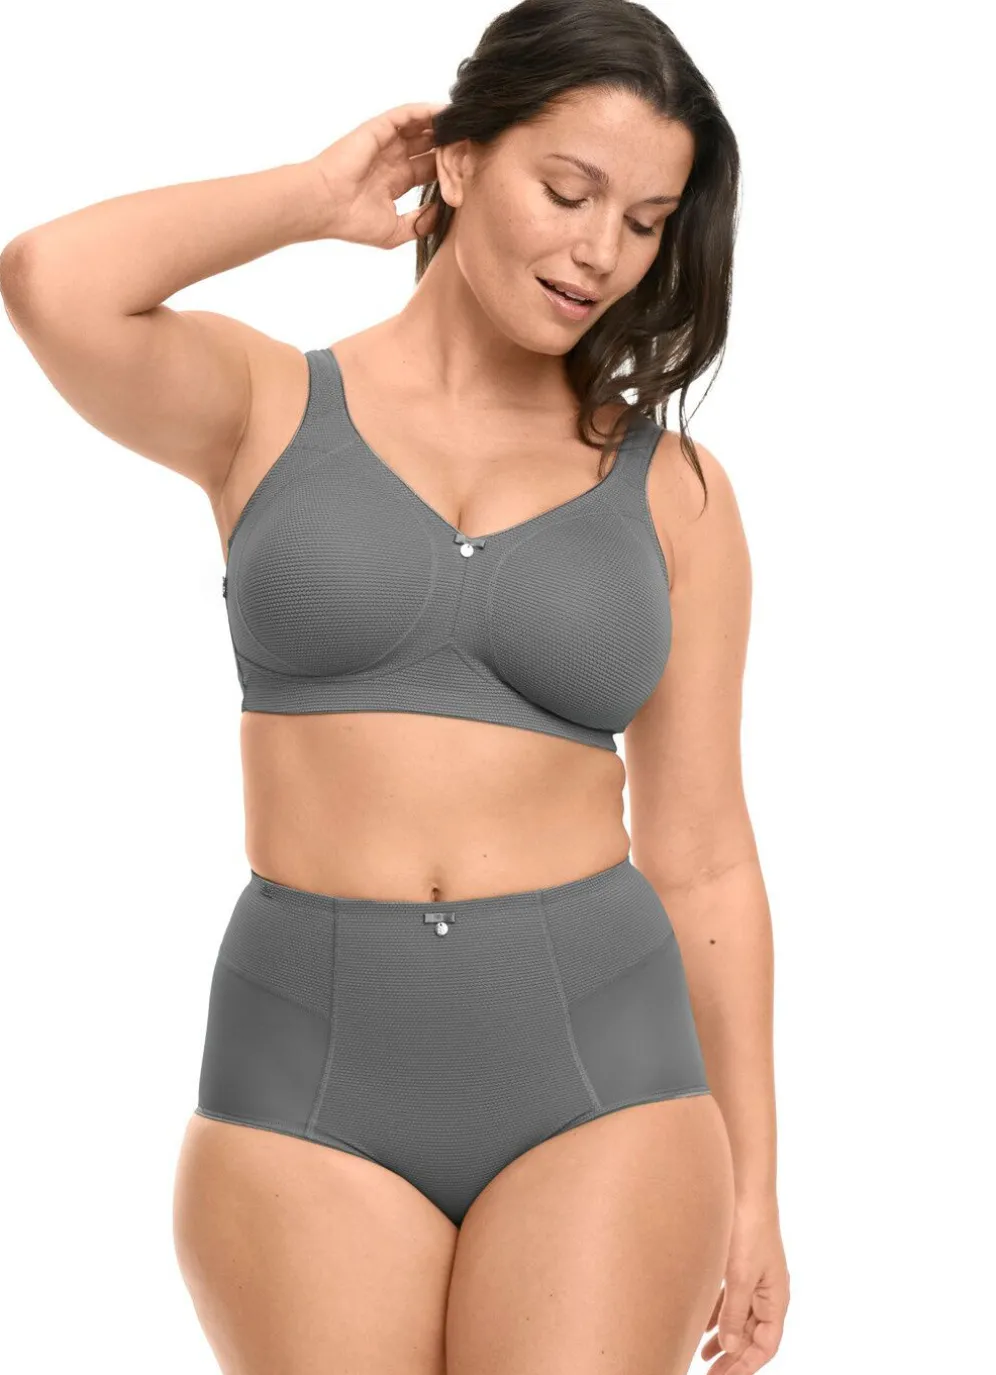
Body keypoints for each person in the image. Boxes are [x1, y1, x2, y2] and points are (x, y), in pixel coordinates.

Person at [0, 1, 790, 1370]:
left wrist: (759, 1187)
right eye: (568, 191)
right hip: (307, 1071)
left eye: (647, 221)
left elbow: (707, 857)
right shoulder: (263, 407)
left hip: (601, 1077)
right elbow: (50, 278)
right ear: (461, 158)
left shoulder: (675, 493)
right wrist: (317, 196)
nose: (600, 251)